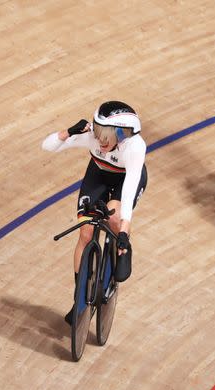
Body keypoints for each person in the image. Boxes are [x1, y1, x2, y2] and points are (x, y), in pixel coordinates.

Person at [41, 101, 147, 323]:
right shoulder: (93, 135)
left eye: (106, 137)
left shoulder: (135, 147)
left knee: (113, 217)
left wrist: (125, 232)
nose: (100, 141)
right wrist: (68, 132)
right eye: (98, 134)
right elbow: (47, 146)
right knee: (86, 233)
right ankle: (79, 299)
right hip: (97, 176)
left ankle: (123, 248)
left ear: (122, 134)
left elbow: (128, 192)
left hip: (124, 181)